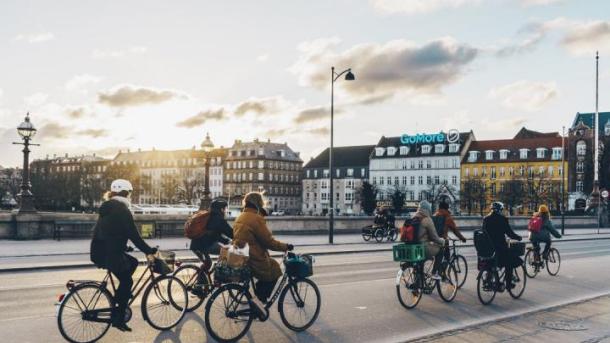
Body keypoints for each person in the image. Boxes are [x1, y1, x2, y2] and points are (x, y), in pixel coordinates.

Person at [90, 179, 157, 332]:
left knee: (132, 262)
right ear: (126, 193)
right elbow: (133, 234)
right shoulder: (121, 209)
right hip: (110, 254)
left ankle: (120, 297)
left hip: (99, 251)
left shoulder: (107, 207)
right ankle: (118, 317)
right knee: (127, 281)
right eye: (130, 193)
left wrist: (124, 246)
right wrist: (148, 250)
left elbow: (109, 231)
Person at [233, 192, 294, 316]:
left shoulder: (241, 216)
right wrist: (285, 247)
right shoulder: (256, 218)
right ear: (258, 203)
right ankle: (260, 302)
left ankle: (258, 299)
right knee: (275, 269)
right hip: (253, 257)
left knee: (268, 270)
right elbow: (268, 242)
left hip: (240, 255)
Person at [189, 198, 233, 295]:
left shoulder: (209, 216)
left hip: (196, 245)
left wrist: (225, 240)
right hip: (203, 245)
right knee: (227, 252)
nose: (225, 211)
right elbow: (230, 232)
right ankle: (218, 276)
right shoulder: (219, 219)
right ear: (221, 209)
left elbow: (214, 235)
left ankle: (200, 286)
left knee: (207, 263)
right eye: (224, 209)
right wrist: (234, 239)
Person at [482, 202, 523, 289]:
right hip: (499, 248)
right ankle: (508, 284)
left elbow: (484, 233)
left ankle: (489, 279)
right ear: (500, 210)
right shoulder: (502, 219)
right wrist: (518, 237)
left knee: (492, 262)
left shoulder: (485, 219)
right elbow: (509, 233)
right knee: (510, 262)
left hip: (488, 248)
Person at [414, 200, 446, 280]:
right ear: (428, 209)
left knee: (421, 260)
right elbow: (434, 237)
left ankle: (418, 281)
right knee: (441, 251)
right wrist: (442, 241)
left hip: (414, 246)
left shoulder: (414, 217)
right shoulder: (427, 219)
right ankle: (434, 273)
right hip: (423, 247)